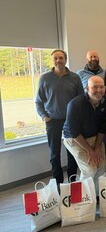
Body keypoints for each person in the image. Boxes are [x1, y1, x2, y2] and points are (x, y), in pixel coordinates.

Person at [35, 49, 83, 186]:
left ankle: (73, 181)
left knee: (72, 152)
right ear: (52, 60)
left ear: (65, 60)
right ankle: (58, 184)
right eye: (55, 58)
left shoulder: (75, 78)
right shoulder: (45, 78)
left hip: (71, 121)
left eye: (61, 58)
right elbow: (38, 101)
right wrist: (44, 117)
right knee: (54, 154)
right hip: (52, 121)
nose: (58, 61)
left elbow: (80, 100)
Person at [63, 76, 106, 195]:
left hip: (94, 137)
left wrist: (98, 147)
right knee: (90, 169)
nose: (99, 90)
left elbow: (103, 127)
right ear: (87, 88)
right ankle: (82, 198)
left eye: (101, 87)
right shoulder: (75, 105)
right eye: (95, 87)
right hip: (74, 139)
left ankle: (94, 196)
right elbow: (74, 133)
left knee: (101, 166)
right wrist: (90, 150)